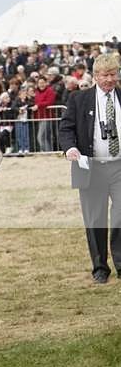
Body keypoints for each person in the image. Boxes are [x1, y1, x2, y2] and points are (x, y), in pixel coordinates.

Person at [59, 53, 121, 283]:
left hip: (119, 167)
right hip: (91, 167)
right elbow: (66, 129)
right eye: (105, 75)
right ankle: (100, 268)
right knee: (95, 220)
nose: (109, 79)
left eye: (113, 74)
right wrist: (70, 149)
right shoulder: (79, 99)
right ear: (95, 76)